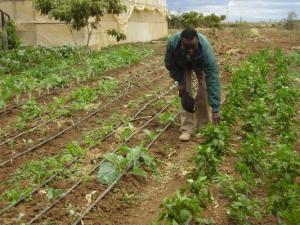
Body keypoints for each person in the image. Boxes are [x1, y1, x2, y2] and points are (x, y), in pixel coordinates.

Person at [164, 28, 221, 141]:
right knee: (185, 92)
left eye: (193, 47)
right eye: (187, 47)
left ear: (198, 41)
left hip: (199, 63)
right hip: (182, 64)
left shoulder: (205, 51)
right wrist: (180, 81)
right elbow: (169, 64)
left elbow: (213, 79)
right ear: (181, 42)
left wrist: (215, 108)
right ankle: (187, 129)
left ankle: (203, 126)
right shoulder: (173, 43)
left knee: (203, 90)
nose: (190, 50)